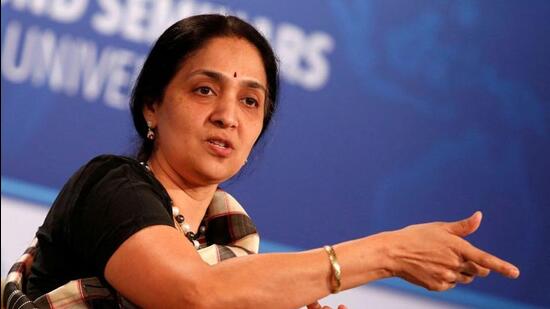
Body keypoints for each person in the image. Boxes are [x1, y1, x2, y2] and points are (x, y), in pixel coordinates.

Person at [3, 14, 519, 309]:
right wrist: (388, 254)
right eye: (205, 90)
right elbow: (195, 294)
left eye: (251, 101)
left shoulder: (233, 249)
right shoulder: (110, 186)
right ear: (152, 105)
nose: (228, 116)